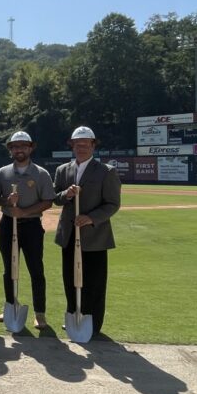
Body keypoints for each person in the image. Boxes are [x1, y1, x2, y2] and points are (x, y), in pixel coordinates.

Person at [53, 126, 121, 338]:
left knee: (94, 282)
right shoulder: (63, 170)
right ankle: (74, 314)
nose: (81, 147)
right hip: (69, 235)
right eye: (77, 144)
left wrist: (91, 218)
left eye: (85, 144)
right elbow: (56, 198)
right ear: (72, 145)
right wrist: (67, 194)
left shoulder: (106, 171)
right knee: (70, 279)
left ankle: (93, 322)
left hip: (95, 237)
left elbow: (112, 204)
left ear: (93, 145)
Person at [0, 131, 55, 329]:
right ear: (10, 149)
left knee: (36, 269)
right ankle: (10, 306)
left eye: (23, 146)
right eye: (15, 146)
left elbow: (47, 202)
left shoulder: (41, 174)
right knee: (9, 269)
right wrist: (7, 202)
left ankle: (40, 313)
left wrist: (24, 212)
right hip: (7, 224)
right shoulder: (2, 173)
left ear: (30, 148)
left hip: (32, 227)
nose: (19, 149)